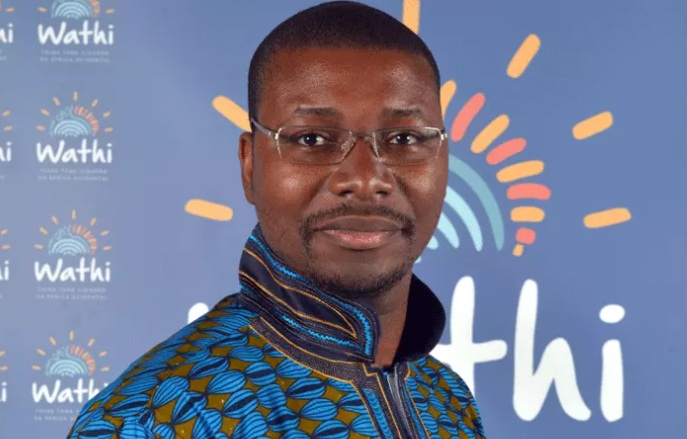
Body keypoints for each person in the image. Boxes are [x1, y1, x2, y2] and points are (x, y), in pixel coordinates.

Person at [67, 2, 486, 438]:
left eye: (404, 138)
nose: (365, 179)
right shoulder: (159, 417)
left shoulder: (446, 396)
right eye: (313, 139)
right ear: (250, 166)